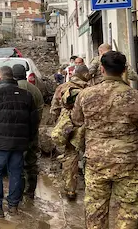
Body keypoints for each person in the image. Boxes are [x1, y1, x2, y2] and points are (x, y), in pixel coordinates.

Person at [73, 51, 138, 228]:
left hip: (96, 161)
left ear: (101, 69)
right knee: (129, 211)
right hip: (128, 162)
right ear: (124, 70)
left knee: (96, 210)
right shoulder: (135, 97)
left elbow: (77, 120)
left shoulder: (85, 95)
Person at [0, 66, 38, 216]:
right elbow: (34, 121)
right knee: (16, 173)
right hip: (19, 144)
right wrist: (29, 139)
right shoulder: (27, 95)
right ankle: (13, 206)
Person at [51, 65, 89, 201]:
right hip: (87, 128)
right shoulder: (90, 89)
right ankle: (90, 184)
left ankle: (70, 189)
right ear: (85, 74)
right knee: (88, 155)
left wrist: (59, 123)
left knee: (70, 156)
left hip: (69, 128)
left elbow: (54, 108)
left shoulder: (62, 87)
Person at [12, 64, 44, 199]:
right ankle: (31, 190)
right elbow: (40, 111)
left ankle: (18, 190)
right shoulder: (35, 90)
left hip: (15, 133)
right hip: (32, 131)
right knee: (31, 161)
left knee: (16, 162)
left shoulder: (13, 89)